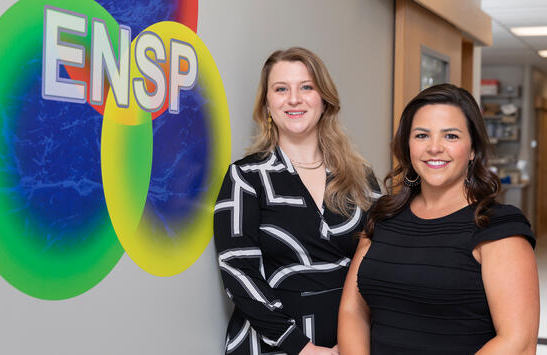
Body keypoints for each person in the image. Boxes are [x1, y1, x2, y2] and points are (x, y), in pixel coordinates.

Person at [338, 83, 539, 354]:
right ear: (407, 146)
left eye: (451, 136)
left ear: (472, 150)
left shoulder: (498, 227)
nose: (434, 148)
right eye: (421, 135)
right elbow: (353, 310)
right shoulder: (384, 215)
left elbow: (517, 342)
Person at [213, 47, 380, 355]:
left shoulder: (360, 175)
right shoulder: (246, 177)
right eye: (281, 89)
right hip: (275, 344)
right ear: (266, 103)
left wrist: (359, 341)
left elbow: (382, 259)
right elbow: (238, 271)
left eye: (306, 87)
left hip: (353, 340)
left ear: (324, 99)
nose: (294, 99)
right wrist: (302, 348)